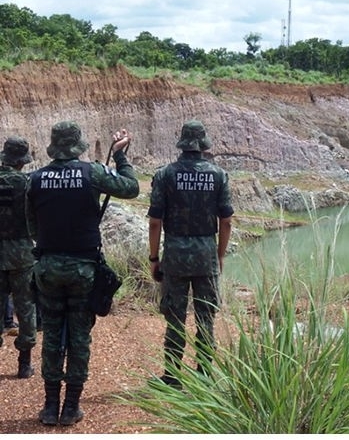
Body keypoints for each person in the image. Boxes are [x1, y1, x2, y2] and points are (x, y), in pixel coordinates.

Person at [26, 121, 139, 426]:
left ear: (54, 146)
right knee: (79, 337)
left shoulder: (35, 179)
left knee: (51, 335)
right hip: (83, 269)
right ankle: (71, 407)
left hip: (48, 268)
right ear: (77, 146)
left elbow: (31, 226)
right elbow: (132, 188)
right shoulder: (92, 173)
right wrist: (121, 156)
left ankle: (50, 407)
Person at [148, 120, 233, 387]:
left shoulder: (165, 174)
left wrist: (154, 258)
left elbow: (155, 222)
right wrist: (219, 255)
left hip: (174, 255)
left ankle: (172, 377)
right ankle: (204, 376)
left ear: (183, 144)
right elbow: (227, 221)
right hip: (206, 254)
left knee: (175, 317)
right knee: (206, 317)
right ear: (203, 144)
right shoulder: (218, 175)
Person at [0, 136, 37, 377]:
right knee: (25, 307)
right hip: (22, 253)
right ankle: (24, 364)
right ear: (21, 161)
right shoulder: (27, 183)